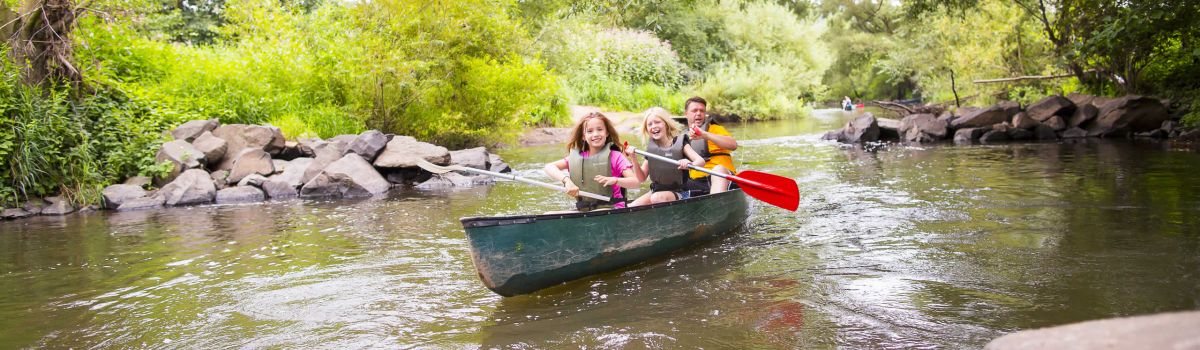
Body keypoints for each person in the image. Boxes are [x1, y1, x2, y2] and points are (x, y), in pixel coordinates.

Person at [543, 112, 639, 211]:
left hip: (613, 209)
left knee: (599, 212)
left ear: (607, 133)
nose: (595, 134)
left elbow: (635, 182)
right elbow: (549, 167)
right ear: (583, 136)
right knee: (548, 214)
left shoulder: (616, 156)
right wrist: (567, 181)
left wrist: (615, 180)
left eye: (600, 129)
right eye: (590, 131)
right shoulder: (578, 158)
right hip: (586, 211)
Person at [623, 107, 705, 207]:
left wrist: (689, 163)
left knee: (656, 198)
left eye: (657, 122)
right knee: (630, 208)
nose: (653, 126)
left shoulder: (680, 143)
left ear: (666, 124)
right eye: (649, 124)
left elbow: (701, 161)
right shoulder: (651, 150)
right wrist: (633, 158)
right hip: (656, 192)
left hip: (679, 192)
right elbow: (641, 178)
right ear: (647, 129)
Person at [682, 96, 736, 195]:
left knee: (718, 170)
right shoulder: (682, 137)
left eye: (702, 111)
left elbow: (733, 145)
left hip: (721, 176)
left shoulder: (715, 129)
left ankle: (716, 201)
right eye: (694, 110)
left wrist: (705, 135)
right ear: (686, 114)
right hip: (697, 181)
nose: (699, 113)